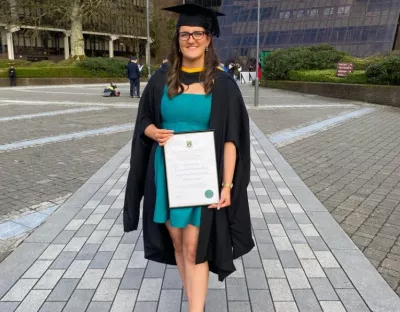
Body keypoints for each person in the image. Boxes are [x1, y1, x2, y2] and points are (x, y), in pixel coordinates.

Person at [123, 3, 254, 312]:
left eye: (198, 33)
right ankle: (195, 302)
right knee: (180, 244)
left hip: (202, 177)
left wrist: (227, 186)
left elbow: (232, 140)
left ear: (209, 39)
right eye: (185, 34)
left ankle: (195, 309)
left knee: (196, 246)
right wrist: (154, 132)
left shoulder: (223, 85)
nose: (191, 39)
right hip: (167, 174)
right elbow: (144, 122)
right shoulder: (161, 79)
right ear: (177, 38)